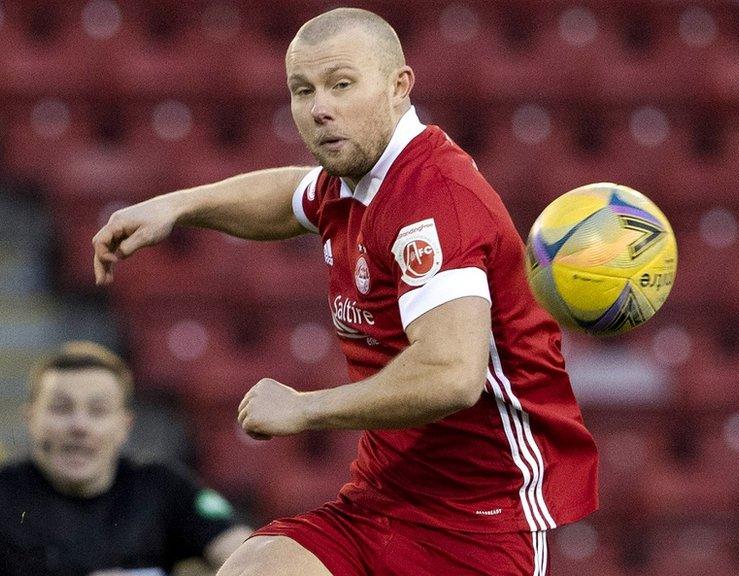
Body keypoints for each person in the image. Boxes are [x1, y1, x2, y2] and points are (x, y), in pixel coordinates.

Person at [92, 8, 598, 575]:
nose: (319, 108)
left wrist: (305, 409)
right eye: (302, 90)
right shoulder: (357, 175)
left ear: (399, 87)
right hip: (378, 502)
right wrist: (179, 206)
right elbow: (290, 197)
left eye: (341, 84)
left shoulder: (435, 199)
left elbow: (451, 375)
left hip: (480, 519)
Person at [0, 341, 251, 576]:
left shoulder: (164, 491)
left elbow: (250, 559)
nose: (79, 425)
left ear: (123, 425)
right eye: (60, 408)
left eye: (97, 411)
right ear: (31, 418)